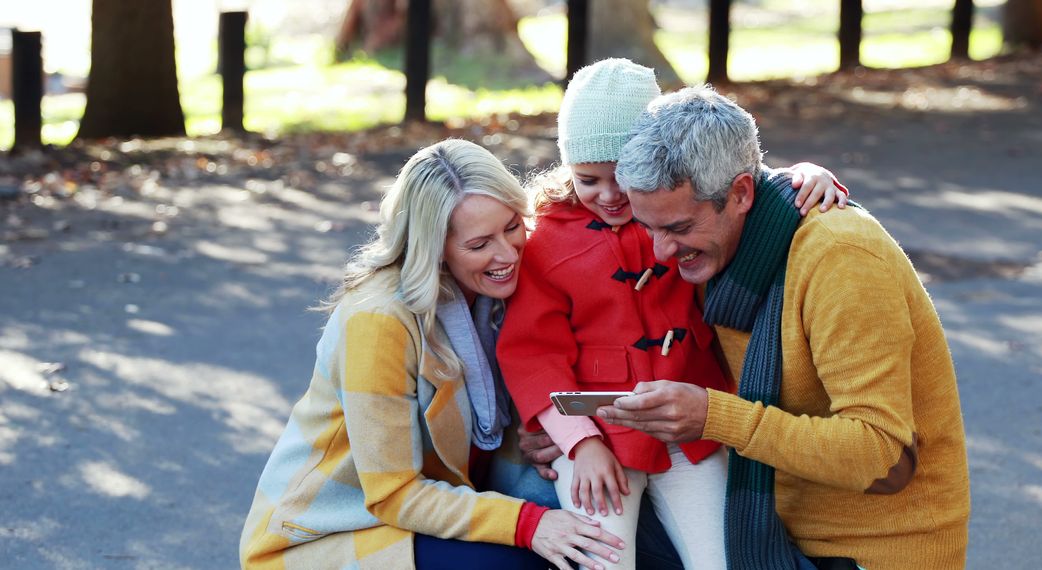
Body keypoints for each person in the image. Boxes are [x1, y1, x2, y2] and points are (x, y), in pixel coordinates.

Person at [599, 85, 971, 570]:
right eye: (650, 228)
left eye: (679, 229)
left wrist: (715, 417)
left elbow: (882, 456)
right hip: (769, 519)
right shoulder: (715, 249)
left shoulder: (841, 259)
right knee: (565, 520)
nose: (661, 251)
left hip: (870, 549)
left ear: (740, 193)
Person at [498, 59, 849, 570]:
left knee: (727, 557)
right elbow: (533, 354)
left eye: (623, 175)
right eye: (588, 179)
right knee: (602, 560)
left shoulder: (672, 209)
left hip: (690, 428)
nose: (611, 195)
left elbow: (739, 186)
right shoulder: (548, 243)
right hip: (598, 435)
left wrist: (804, 177)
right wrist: (579, 444)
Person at [239, 139, 627, 570]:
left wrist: (543, 432)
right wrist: (528, 524)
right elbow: (393, 493)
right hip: (336, 529)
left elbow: (546, 383)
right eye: (479, 245)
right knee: (528, 562)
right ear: (434, 248)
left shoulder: (504, 285)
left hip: (452, 494)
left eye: (513, 226)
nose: (507, 254)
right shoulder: (379, 321)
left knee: (592, 524)